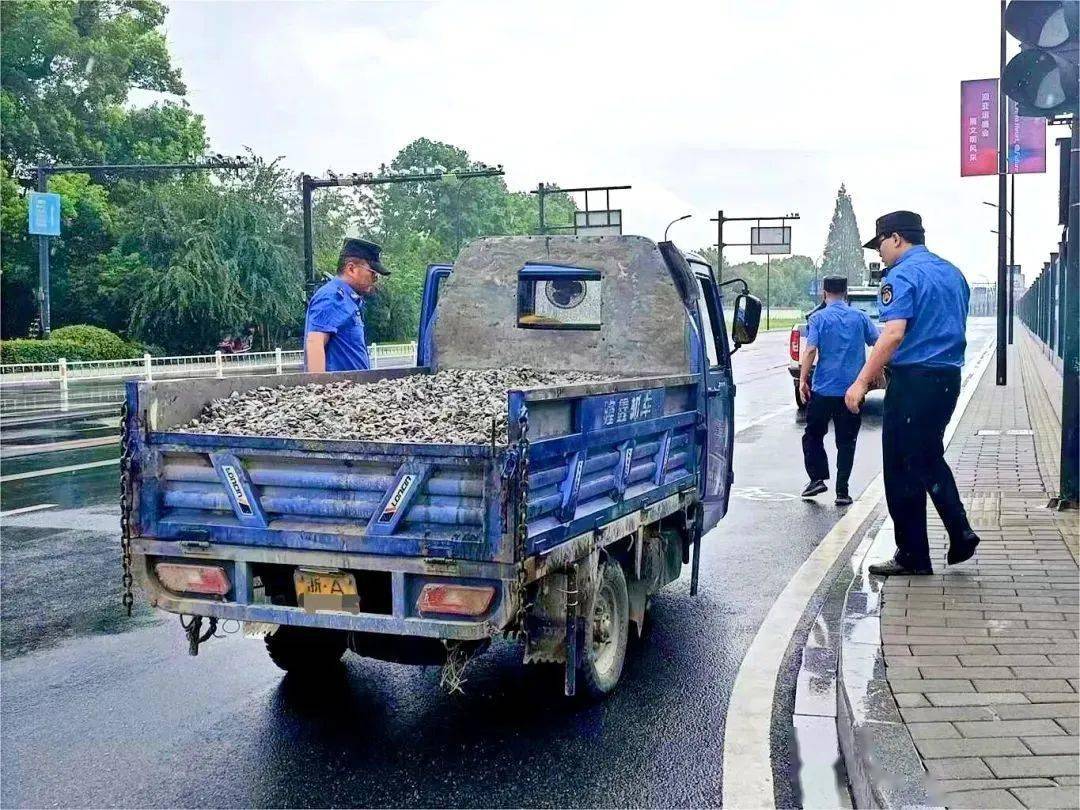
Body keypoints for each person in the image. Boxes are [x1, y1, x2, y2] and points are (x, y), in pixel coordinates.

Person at [844, 211, 980, 576]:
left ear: (897, 239)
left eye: (881, 245)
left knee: (902, 467)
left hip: (913, 382)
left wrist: (861, 381)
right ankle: (952, 535)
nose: (880, 255)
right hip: (946, 379)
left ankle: (920, 550)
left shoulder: (901, 275)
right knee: (925, 455)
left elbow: (893, 334)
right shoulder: (953, 273)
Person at [799, 275, 880, 506]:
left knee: (813, 434)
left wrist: (803, 379)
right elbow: (877, 343)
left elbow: (810, 350)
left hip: (823, 390)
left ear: (824, 293)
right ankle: (842, 492)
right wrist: (874, 373)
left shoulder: (818, 318)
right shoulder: (861, 318)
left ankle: (817, 478)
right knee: (846, 442)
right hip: (852, 392)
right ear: (845, 293)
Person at [304, 238, 390, 372]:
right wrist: (319, 390)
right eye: (372, 273)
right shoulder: (332, 296)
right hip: (338, 391)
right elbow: (315, 343)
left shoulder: (348, 299)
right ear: (351, 269)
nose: (375, 279)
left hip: (352, 389)